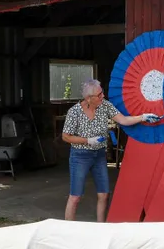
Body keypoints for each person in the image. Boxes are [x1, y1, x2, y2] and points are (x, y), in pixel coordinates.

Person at [61, 79, 158, 222]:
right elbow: (66, 137)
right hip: (80, 156)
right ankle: (68, 229)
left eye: (102, 93)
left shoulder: (105, 106)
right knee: (75, 196)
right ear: (88, 98)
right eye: (99, 95)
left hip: (99, 155)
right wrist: (87, 140)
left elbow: (123, 120)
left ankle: (101, 227)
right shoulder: (74, 112)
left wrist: (142, 117)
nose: (103, 97)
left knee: (104, 194)